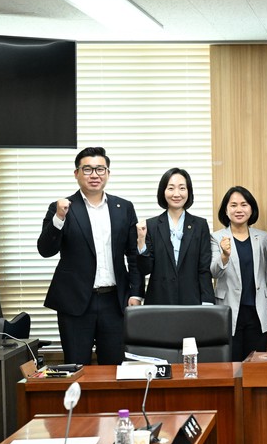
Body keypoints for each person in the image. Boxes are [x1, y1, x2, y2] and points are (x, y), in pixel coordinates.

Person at [37, 147, 143, 365]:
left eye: (100, 169)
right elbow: (46, 250)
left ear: (108, 173)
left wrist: (136, 293)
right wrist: (59, 217)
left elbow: (133, 256)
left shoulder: (123, 207)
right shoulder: (62, 208)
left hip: (114, 302)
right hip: (74, 302)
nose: (94, 175)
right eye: (87, 169)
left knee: (114, 368)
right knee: (76, 366)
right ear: (76, 173)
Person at [211, 186, 267, 361]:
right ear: (226, 210)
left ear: (251, 209)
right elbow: (213, 272)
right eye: (233, 205)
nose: (239, 210)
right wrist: (224, 256)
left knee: (256, 362)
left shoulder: (263, 237)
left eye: (244, 204)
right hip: (229, 309)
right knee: (232, 365)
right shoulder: (216, 237)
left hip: (258, 310)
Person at [136, 168, 214, 305]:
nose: (176, 194)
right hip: (159, 301)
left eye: (182, 188)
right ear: (163, 191)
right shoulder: (151, 226)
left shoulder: (200, 225)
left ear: (189, 191)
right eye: (171, 188)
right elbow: (145, 269)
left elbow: (204, 268)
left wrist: (207, 301)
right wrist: (141, 241)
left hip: (192, 300)